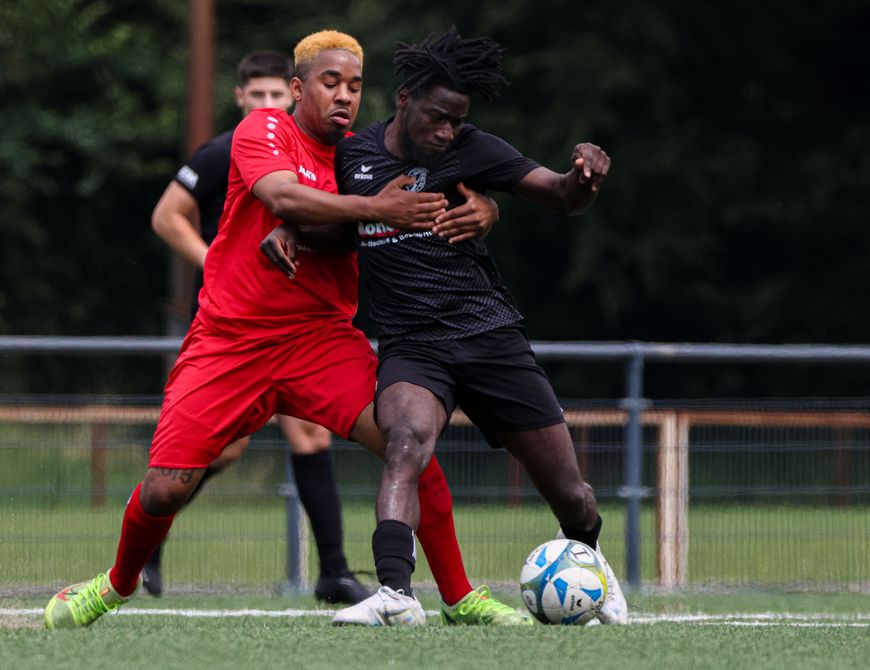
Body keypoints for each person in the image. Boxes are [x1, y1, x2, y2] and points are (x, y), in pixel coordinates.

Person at [45, 29, 527, 630]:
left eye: (354, 85)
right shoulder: (264, 129)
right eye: (330, 83)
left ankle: (459, 597)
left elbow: (446, 191)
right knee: (166, 488)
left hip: (320, 340)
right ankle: (115, 585)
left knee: (408, 442)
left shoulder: (365, 154)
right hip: (230, 341)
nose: (344, 96)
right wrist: (372, 210)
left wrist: (488, 209)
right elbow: (282, 194)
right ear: (297, 89)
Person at [263, 27, 628, 627]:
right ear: (404, 99)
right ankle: (396, 595)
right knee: (404, 443)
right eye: (437, 117)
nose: (446, 131)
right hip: (412, 346)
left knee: (571, 493)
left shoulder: (472, 150)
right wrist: (293, 233)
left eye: (456, 120)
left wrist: (583, 179)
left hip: (488, 338)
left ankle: (589, 560)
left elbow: (558, 196)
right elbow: (339, 223)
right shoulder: (354, 156)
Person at [149, 50, 367, 604]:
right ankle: (151, 542)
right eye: (259, 96)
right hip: (234, 325)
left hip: (301, 325)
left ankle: (334, 570)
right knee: (222, 452)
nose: (269, 105)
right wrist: (218, 260)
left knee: (311, 432)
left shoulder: (322, 146)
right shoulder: (226, 149)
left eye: (277, 95)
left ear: (292, 93)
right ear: (242, 98)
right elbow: (166, 215)